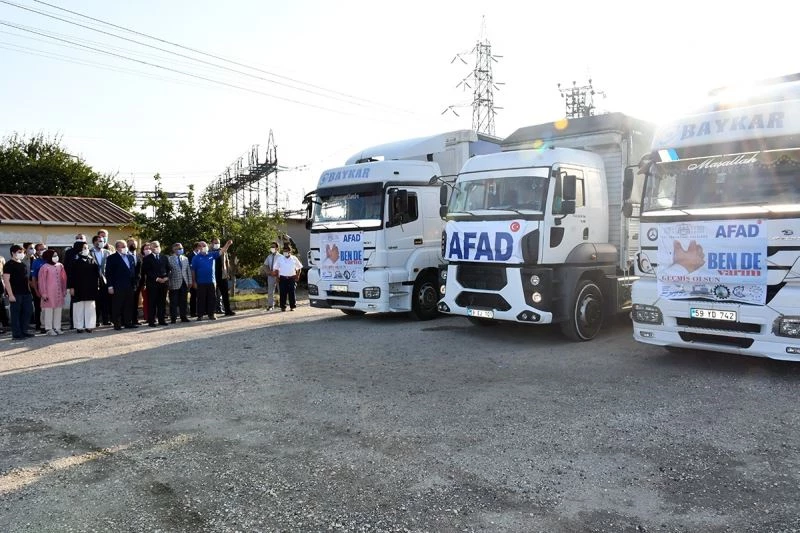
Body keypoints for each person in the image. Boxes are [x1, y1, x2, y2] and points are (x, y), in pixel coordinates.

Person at [191, 239, 233, 321]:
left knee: (212, 298)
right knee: (201, 299)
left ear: (207, 246)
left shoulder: (212, 255)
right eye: (201, 245)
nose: (203, 247)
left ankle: (212, 314)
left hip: (212, 282)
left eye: (204, 245)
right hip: (200, 282)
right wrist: (194, 282)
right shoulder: (195, 258)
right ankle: (200, 315)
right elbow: (193, 271)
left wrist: (227, 244)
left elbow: (222, 251)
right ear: (198, 248)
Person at [67, 240, 99, 333]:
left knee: (90, 307)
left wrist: (97, 285)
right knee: (78, 307)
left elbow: (96, 274)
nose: (86, 249)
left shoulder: (91, 258)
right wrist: (71, 287)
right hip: (78, 287)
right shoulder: (74, 259)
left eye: (87, 248)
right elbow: (70, 274)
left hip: (90, 287)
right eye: (84, 248)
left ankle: (90, 326)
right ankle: (79, 326)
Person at [106, 240, 139, 330]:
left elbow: (133, 272)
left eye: (125, 246)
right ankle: (117, 324)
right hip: (117, 286)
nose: (125, 248)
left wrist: (135, 284)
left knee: (129, 305)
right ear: (117, 248)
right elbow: (108, 273)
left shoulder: (130, 257)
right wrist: (110, 286)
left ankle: (128, 322)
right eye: (123, 246)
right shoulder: (111, 258)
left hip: (130, 285)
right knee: (117, 305)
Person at [3, 244, 34, 340]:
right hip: (15, 293)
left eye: (23, 252)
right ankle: (16, 334)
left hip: (26, 293)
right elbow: (6, 280)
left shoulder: (23, 264)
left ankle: (24, 331)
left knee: (27, 311)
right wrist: (10, 295)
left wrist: (30, 292)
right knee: (16, 314)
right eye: (19, 252)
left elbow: (26, 279)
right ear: (13, 253)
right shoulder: (8, 265)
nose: (22, 254)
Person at [142, 240, 172, 326]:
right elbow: (146, 271)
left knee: (162, 302)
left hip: (163, 283)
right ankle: (151, 321)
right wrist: (157, 278)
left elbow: (169, 269)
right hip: (153, 284)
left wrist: (166, 277)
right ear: (151, 248)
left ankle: (161, 320)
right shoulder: (147, 258)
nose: (157, 248)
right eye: (154, 246)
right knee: (152, 303)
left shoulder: (164, 257)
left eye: (158, 246)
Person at [38, 249, 67, 336]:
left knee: (58, 309)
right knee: (48, 310)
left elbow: (64, 279)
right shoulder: (44, 267)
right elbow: (41, 281)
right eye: (53, 255)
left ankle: (57, 327)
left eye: (56, 255)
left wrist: (64, 289)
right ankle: (49, 328)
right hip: (48, 292)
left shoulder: (60, 266)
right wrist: (43, 293)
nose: (56, 257)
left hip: (59, 292)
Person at [63, 234, 87, 329]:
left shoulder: (88, 251)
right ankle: (74, 323)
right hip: (75, 282)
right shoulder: (70, 252)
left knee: (85, 302)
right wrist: (70, 285)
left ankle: (85, 322)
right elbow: (67, 268)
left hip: (86, 283)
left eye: (81, 238)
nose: (79, 240)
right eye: (77, 238)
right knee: (75, 303)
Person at [271, 244, 303, 312]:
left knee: (292, 292)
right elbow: (276, 269)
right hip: (282, 278)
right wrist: (277, 277)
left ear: (289, 251)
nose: (285, 252)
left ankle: (292, 306)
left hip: (292, 278)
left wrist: (298, 275)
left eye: (286, 251)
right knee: (283, 293)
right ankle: (283, 307)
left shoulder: (294, 258)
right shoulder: (280, 259)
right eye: (284, 251)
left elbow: (299, 268)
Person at [167, 242, 191, 323]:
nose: (181, 250)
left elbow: (188, 271)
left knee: (183, 301)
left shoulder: (185, 259)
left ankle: (183, 317)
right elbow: (168, 272)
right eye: (179, 248)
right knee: (173, 302)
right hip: (174, 283)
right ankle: (173, 318)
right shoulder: (169, 259)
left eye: (181, 248)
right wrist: (168, 283)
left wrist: (189, 281)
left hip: (184, 283)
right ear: (174, 249)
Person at [211, 237, 235, 316]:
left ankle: (228, 310)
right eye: (215, 243)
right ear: (211, 243)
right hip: (213, 276)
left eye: (218, 243)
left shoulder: (223, 251)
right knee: (212, 294)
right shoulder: (209, 251)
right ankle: (212, 312)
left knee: (225, 294)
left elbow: (226, 262)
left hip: (222, 275)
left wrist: (227, 273)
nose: (217, 244)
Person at [91, 235, 111, 325]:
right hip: (95, 280)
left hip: (106, 280)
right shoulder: (90, 252)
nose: (101, 242)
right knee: (96, 302)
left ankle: (106, 320)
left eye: (102, 241)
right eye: (99, 241)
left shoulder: (107, 252)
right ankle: (96, 320)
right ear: (94, 242)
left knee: (106, 301)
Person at [29, 242, 47, 333]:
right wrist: (36, 290)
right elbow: (33, 278)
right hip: (39, 289)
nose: (42, 251)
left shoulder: (51, 260)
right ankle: (39, 326)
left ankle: (52, 325)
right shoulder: (36, 262)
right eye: (40, 249)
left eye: (43, 249)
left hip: (51, 289)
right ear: (37, 251)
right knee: (39, 307)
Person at [127, 238, 143, 325]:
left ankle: (135, 320)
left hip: (137, 282)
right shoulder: (125, 255)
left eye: (134, 243)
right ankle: (127, 320)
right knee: (128, 302)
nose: (133, 245)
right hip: (128, 282)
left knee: (136, 302)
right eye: (130, 243)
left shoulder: (139, 255)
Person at [262, 241, 280, 311]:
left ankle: (282, 304)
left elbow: (282, 266)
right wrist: (269, 272)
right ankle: (270, 305)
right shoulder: (269, 256)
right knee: (270, 291)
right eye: (271, 247)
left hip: (278, 276)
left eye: (273, 247)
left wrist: (277, 273)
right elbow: (265, 265)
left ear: (277, 248)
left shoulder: (281, 257)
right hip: (270, 276)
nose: (272, 248)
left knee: (281, 291)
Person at [139, 242, 152, 324]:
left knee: (153, 300)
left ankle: (153, 316)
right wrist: (143, 284)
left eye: (149, 248)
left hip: (154, 282)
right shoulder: (140, 259)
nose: (148, 250)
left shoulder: (154, 258)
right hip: (144, 283)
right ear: (143, 250)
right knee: (146, 300)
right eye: (146, 249)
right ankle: (147, 317)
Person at [186, 243, 200, 317]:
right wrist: (192, 281)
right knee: (194, 296)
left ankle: (200, 311)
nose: (201, 248)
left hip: (200, 279)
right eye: (200, 246)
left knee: (200, 296)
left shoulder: (200, 255)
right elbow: (190, 269)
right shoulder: (190, 256)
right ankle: (193, 312)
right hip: (193, 279)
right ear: (196, 247)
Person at [0, 254, 9, 335]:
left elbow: (4, 276)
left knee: (2, 306)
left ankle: (4, 324)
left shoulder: (1, 258)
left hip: (0, 286)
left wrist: (6, 288)